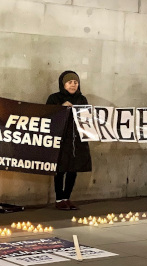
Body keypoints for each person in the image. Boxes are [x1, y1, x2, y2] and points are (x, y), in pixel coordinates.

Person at [46, 71, 92, 210]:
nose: (73, 85)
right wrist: (61, 109)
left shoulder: (81, 99)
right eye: (70, 82)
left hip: (77, 140)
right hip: (60, 139)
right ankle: (59, 199)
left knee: (73, 169)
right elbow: (47, 116)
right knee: (60, 169)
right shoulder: (54, 98)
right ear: (63, 84)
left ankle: (67, 197)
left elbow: (87, 118)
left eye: (75, 82)